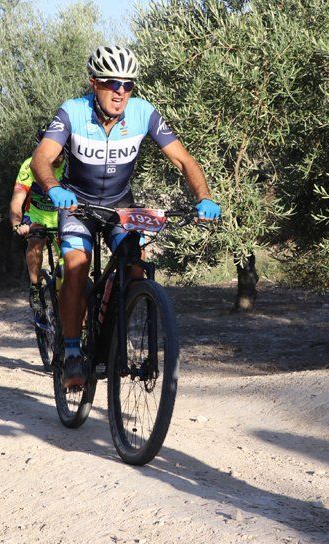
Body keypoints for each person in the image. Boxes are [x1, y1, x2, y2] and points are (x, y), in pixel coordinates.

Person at [32, 45, 221, 389]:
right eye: (112, 83)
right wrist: (53, 186)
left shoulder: (143, 113)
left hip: (120, 205)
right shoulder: (72, 112)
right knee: (75, 266)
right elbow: (42, 158)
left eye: (128, 85)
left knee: (136, 266)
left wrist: (203, 196)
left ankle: (116, 334)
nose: (120, 92)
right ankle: (73, 350)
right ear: (94, 83)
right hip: (78, 205)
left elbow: (183, 160)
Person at [10, 128, 66, 323]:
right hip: (36, 215)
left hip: (62, 216)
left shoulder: (71, 166)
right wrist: (17, 223)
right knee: (35, 242)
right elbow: (17, 200)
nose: (57, 156)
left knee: (70, 262)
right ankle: (35, 287)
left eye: (60, 151)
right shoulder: (29, 166)